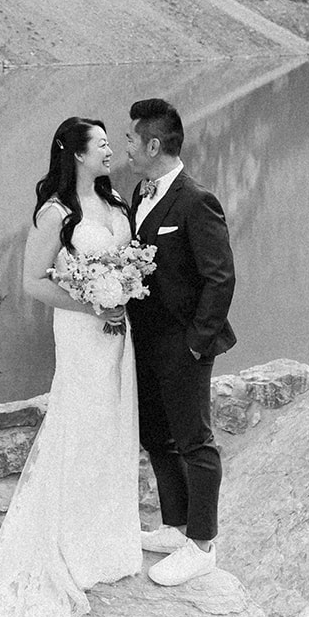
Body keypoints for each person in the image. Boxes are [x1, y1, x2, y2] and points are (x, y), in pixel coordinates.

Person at [0, 117, 142, 617]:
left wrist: (122, 290)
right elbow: (33, 282)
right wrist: (93, 302)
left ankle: (105, 543)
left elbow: (127, 260)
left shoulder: (115, 202)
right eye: (100, 144)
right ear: (75, 154)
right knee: (79, 427)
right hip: (82, 332)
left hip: (119, 333)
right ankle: (67, 547)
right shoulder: (55, 213)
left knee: (112, 428)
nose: (108, 150)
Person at [125, 96, 236, 586]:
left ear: (153, 144)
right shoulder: (140, 193)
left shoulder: (196, 200)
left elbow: (220, 278)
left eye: (130, 138)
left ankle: (202, 544)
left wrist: (196, 343)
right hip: (145, 343)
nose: (125, 146)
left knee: (195, 441)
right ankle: (175, 525)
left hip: (183, 346)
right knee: (156, 436)